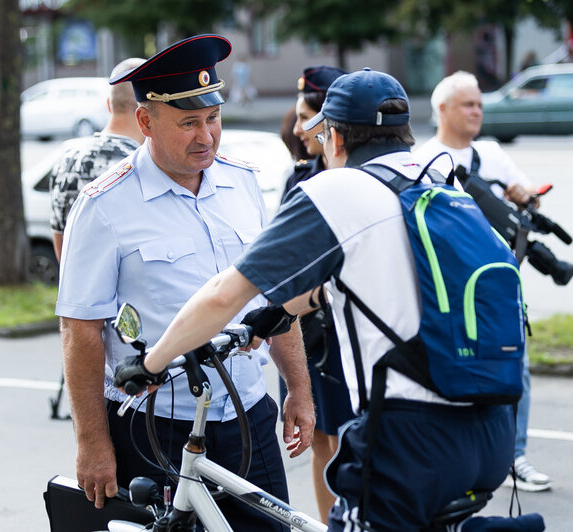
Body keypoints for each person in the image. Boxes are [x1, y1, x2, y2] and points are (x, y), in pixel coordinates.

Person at [115, 68, 517, 531]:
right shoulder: (441, 179)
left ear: (336, 137)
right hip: (490, 427)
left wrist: (151, 365)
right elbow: (359, 283)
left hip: (412, 438)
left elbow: (225, 294)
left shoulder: (338, 189)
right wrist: (273, 316)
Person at [55, 34, 314, 531]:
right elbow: (80, 330)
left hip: (247, 415)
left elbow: (275, 297)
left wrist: (297, 388)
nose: (206, 136)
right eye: (189, 122)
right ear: (146, 121)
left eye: (212, 118)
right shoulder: (105, 205)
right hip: (154, 426)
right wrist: (91, 442)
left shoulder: (242, 184)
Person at [414, 70, 552, 492]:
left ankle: (515, 456)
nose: (477, 112)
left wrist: (526, 196)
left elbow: (526, 191)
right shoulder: (422, 158)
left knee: (514, 363)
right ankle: (462, 456)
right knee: (453, 365)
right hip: (448, 285)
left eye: (479, 104)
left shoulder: (491, 153)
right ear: (442, 109)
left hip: (498, 283)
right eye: (468, 104)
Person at [278, 65, 355, 523]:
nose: (297, 125)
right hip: (305, 331)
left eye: (307, 115)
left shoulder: (360, 179)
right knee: (320, 440)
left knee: (352, 442)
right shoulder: (300, 177)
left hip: (347, 331)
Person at [50, 57, 146, 262]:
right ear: (147, 111)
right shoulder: (142, 165)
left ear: (108, 104)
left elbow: (61, 247)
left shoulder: (66, 159)